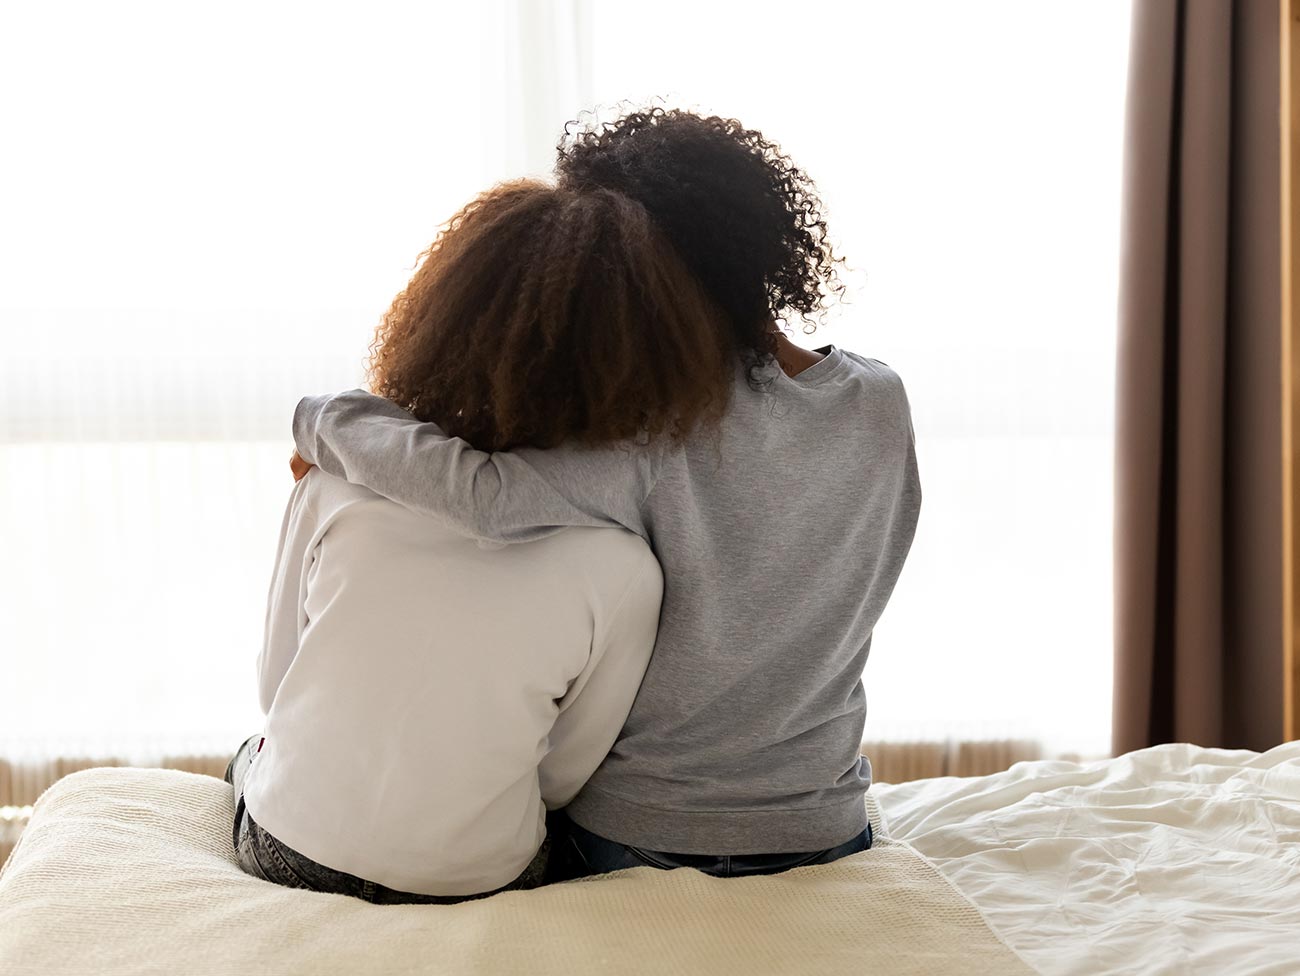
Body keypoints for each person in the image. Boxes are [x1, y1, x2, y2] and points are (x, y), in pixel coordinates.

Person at [291, 108, 922, 880]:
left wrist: (323, 418)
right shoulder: (881, 403)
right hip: (827, 823)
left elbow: (484, 495)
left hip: (646, 836)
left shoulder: (661, 431)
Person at [226, 179, 737, 902]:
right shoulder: (624, 569)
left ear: (444, 319)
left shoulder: (332, 486)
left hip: (290, 848)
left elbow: (277, 688)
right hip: (475, 878)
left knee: (249, 756)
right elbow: (561, 777)